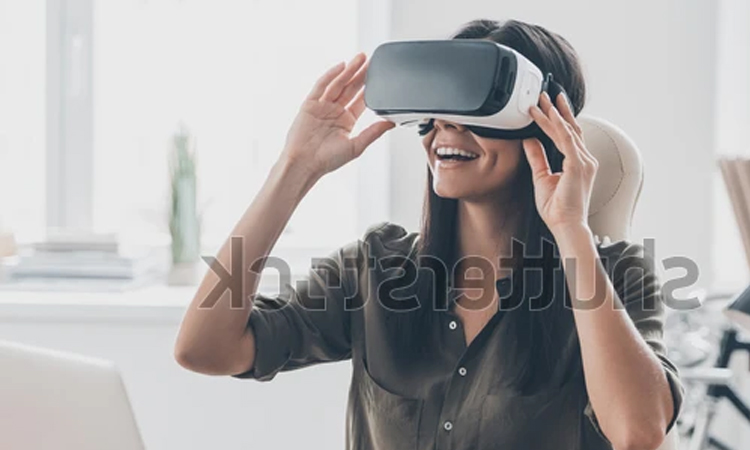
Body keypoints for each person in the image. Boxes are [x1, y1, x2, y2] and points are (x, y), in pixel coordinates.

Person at [174, 18, 684, 450]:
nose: (447, 128)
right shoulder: (376, 267)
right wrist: (295, 170)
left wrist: (571, 229)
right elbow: (205, 349)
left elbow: (639, 433)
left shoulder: (615, 274)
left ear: (547, 127)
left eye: (475, 109)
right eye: (438, 113)